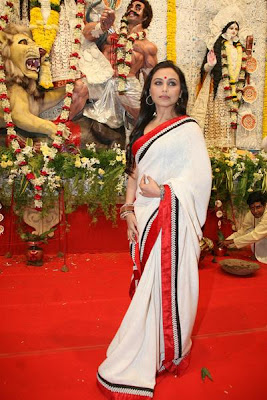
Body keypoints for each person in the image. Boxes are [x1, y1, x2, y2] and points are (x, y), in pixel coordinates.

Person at [97, 61, 212, 399]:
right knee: (148, 282)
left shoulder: (188, 129)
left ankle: (165, 350)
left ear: (180, 90)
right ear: (149, 90)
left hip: (173, 217)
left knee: (163, 285)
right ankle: (152, 345)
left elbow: (198, 180)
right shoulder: (143, 125)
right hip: (145, 216)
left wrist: (163, 193)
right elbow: (134, 172)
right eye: (158, 82)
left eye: (171, 83)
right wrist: (129, 208)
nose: (164, 89)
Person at [79, 0, 158, 132]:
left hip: (127, 84)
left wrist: (149, 104)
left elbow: (151, 79)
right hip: (103, 81)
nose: (132, 9)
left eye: (138, 8)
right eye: (130, 7)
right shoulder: (111, 32)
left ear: (145, 17)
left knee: (145, 119)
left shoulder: (147, 46)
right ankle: (60, 130)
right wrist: (103, 25)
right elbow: (86, 34)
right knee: (78, 89)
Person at [192, 6, 248, 148]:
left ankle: (229, 149)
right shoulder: (216, 45)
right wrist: (211, 65)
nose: (234, 31)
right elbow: (205, 68)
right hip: (219, 88)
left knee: (229, 120)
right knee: (216, 119)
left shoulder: (239, 48)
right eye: (231, 28)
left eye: (236, 29)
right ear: (225, 29)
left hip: (235, 90)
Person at [219, 191, 267, 264]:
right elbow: (242, 232)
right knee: (249, 230)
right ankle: (260, 255)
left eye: (258, 207)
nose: (255, 211)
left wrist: (231, 242)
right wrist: (225, 242)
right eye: (252, 208)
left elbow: (255, 235)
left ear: (264, 205)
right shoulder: (250, 214)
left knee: (255, 234)